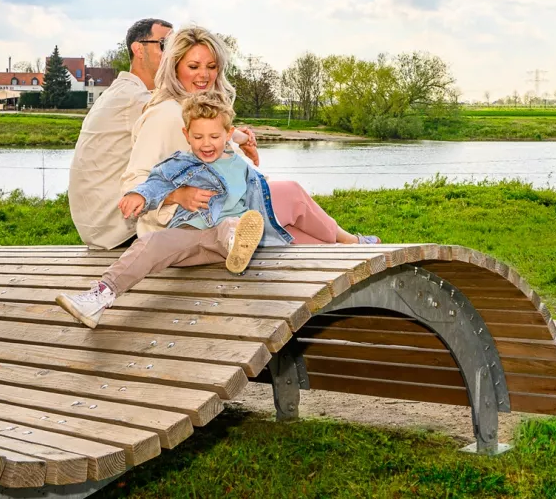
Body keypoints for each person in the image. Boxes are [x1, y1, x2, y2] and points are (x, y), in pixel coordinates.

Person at [121, 25, 378, 245]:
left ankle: (348, 249)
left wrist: (241, 139)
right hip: (186, 227)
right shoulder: (165, 114)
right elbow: (132, 184)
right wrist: (178, 195)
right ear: (175, 67)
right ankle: (353, 241)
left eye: (211, 66)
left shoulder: (197, 111)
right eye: (194, 66)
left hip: (225, 218)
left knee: (310, 242)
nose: (204, 75)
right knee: (291, 193)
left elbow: (211, 147)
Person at [56, 92, 285, 327]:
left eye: (214, 136)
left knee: (232, 224)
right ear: (186, 135)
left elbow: (260, 199)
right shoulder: (181, 164)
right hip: (190, 235)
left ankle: (238, 245)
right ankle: (99, 298)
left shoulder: (242, 167)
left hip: (223, 236)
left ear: (228, 135)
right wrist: (140, 195)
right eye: (198, 136)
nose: (206, 143)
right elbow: (156, 183)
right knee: (149, 243)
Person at [68, 18, 174, 250]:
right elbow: (189, 130)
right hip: (117, 230)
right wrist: (235, 137)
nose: (174, 53)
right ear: (139, 49)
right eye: (165, 44)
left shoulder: (123, 91)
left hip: (98, 225)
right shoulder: (135, 98)